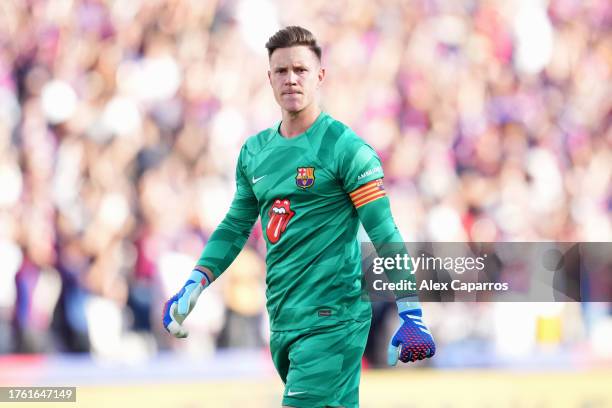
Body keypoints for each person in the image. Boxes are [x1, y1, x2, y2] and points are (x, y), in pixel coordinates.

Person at [163, 26, 435, 407]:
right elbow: (235, 226)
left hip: (333, 319)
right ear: (269, 78)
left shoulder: (346, 149)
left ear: (320, 75)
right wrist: (197, 280)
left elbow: (384, 231)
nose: (291, 79)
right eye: (281, 71)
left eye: (301, 70)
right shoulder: (255, 152)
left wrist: (411, 310)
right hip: (283, 319)